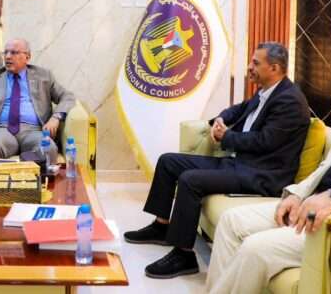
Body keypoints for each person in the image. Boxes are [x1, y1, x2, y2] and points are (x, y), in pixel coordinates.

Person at [206, 50, 331, 294]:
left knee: (255, 248)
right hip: (310, 203)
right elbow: (328, 165)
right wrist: (297, 194)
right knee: (231, 221)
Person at [123, 42, 311, 279]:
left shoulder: (290, 101)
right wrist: (220, 120)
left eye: (255, 63)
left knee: (190, 180)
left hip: (262, 174)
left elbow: (265, 142)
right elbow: (239, 109)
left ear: (274, 68)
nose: (249, 67)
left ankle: (183, 256)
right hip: (240, 164)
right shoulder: (266, 91)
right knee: (169, 161)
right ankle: (161, 227)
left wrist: (226, 137)